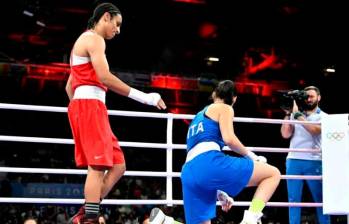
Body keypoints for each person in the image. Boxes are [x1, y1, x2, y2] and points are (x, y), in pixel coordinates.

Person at [65, 3, 166, 224]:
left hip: (89, 106)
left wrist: (81, 109)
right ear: (106, 17)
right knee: (98, 166)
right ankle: (90, 218)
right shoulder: (94, 39)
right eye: (117, 24)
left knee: (118, 164)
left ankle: (85, 211)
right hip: (90, 106)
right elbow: (104, 77)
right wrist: (145, 97)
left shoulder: (84, 42)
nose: (118, 30)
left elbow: (69, 87)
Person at [181, 80, 281, 224]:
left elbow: (199, 165)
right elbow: (229, 139)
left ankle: (166, 221)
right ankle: (251, 217)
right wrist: (251, 155)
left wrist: (218, 193)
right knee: (273, 174)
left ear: (214, 94)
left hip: (189, 172)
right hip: (208, 162)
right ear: (234, 98)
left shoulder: (197, 117)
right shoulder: (224, 108)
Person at [280, 86, 331, 224]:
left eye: (311, 96)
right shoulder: (295, 114)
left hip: (314, 160)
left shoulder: (324, 117)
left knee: (320, 199)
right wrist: (288, 113)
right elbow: (285, 134)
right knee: (293, 199)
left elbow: (314, 130)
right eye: (306, 96)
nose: (308, 99)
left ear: (318, 98)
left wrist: (298, 116)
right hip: (293, 160)